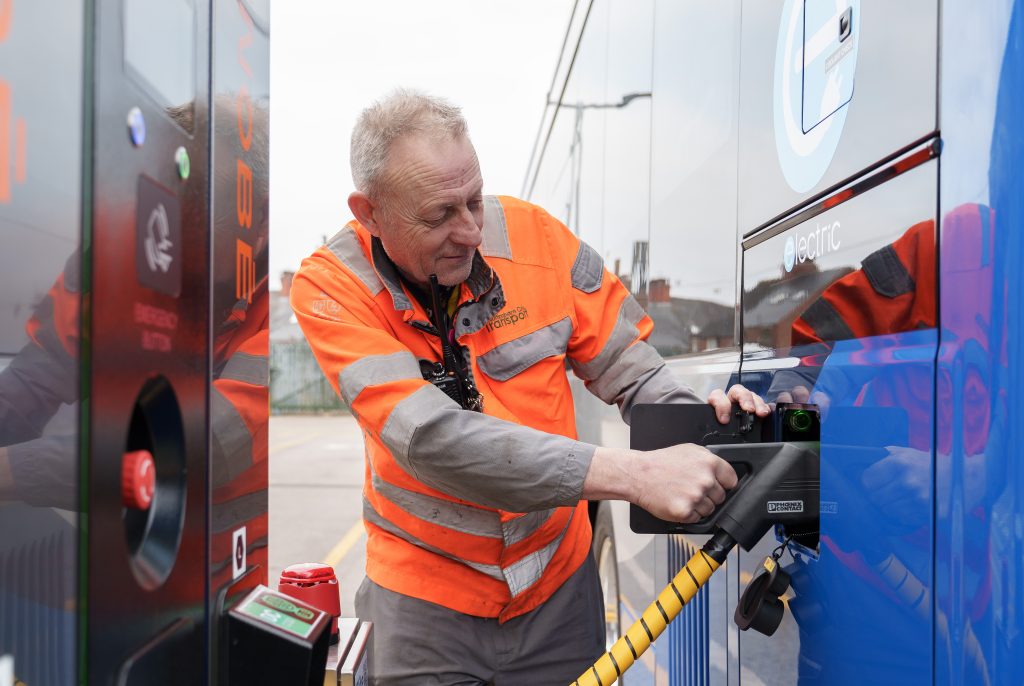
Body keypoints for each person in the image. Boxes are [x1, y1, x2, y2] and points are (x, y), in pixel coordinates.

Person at [290, 90, 769, 685]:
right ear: (370, 214)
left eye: (474, 200)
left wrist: (709, 425)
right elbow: (432, 439)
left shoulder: (538, 241)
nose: (469, 231)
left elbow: (637, 373)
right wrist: (634, 476)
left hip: (557, 601)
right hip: (423, 608)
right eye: (439, 215)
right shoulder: (333, 286)